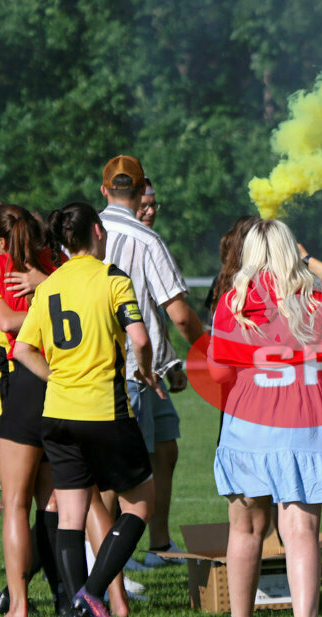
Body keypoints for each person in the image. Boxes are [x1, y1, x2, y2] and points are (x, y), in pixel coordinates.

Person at [208, 218, 322, 617]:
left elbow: (217, 371)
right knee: (301, 529)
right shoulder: (318, 302)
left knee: (244, 529)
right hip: (307, 420)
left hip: (248, 423)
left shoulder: (234, 301)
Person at [13, 202, 160, 617]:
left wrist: (56, 376)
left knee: (71, 513)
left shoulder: (49, 286)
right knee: (140, 503)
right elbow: (139, 336)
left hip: (57, 413)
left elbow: (22, 349)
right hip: (103, 408)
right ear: (98, 231)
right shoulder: (112, 277)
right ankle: (92, 594)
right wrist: (145, 370)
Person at [99, 155, 205, 566]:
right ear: (139, 187)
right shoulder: (146, 241)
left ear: (105, 190)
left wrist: (172, 364)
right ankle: (111, 563)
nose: (150, 209)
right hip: (128, 372)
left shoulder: (87, 232)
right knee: (122, 473)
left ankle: (158, 544)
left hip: (150, 372)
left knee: (165, 450)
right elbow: (179, 313)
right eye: (146, 199)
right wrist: (210, 353)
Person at [0, 204, 65, 617]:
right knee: (50, 500)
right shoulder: (55, 265)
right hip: (61, 382)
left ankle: (19, 605)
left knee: (14, 503)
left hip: (21, 382)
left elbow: (7, 320)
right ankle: (65, 593)